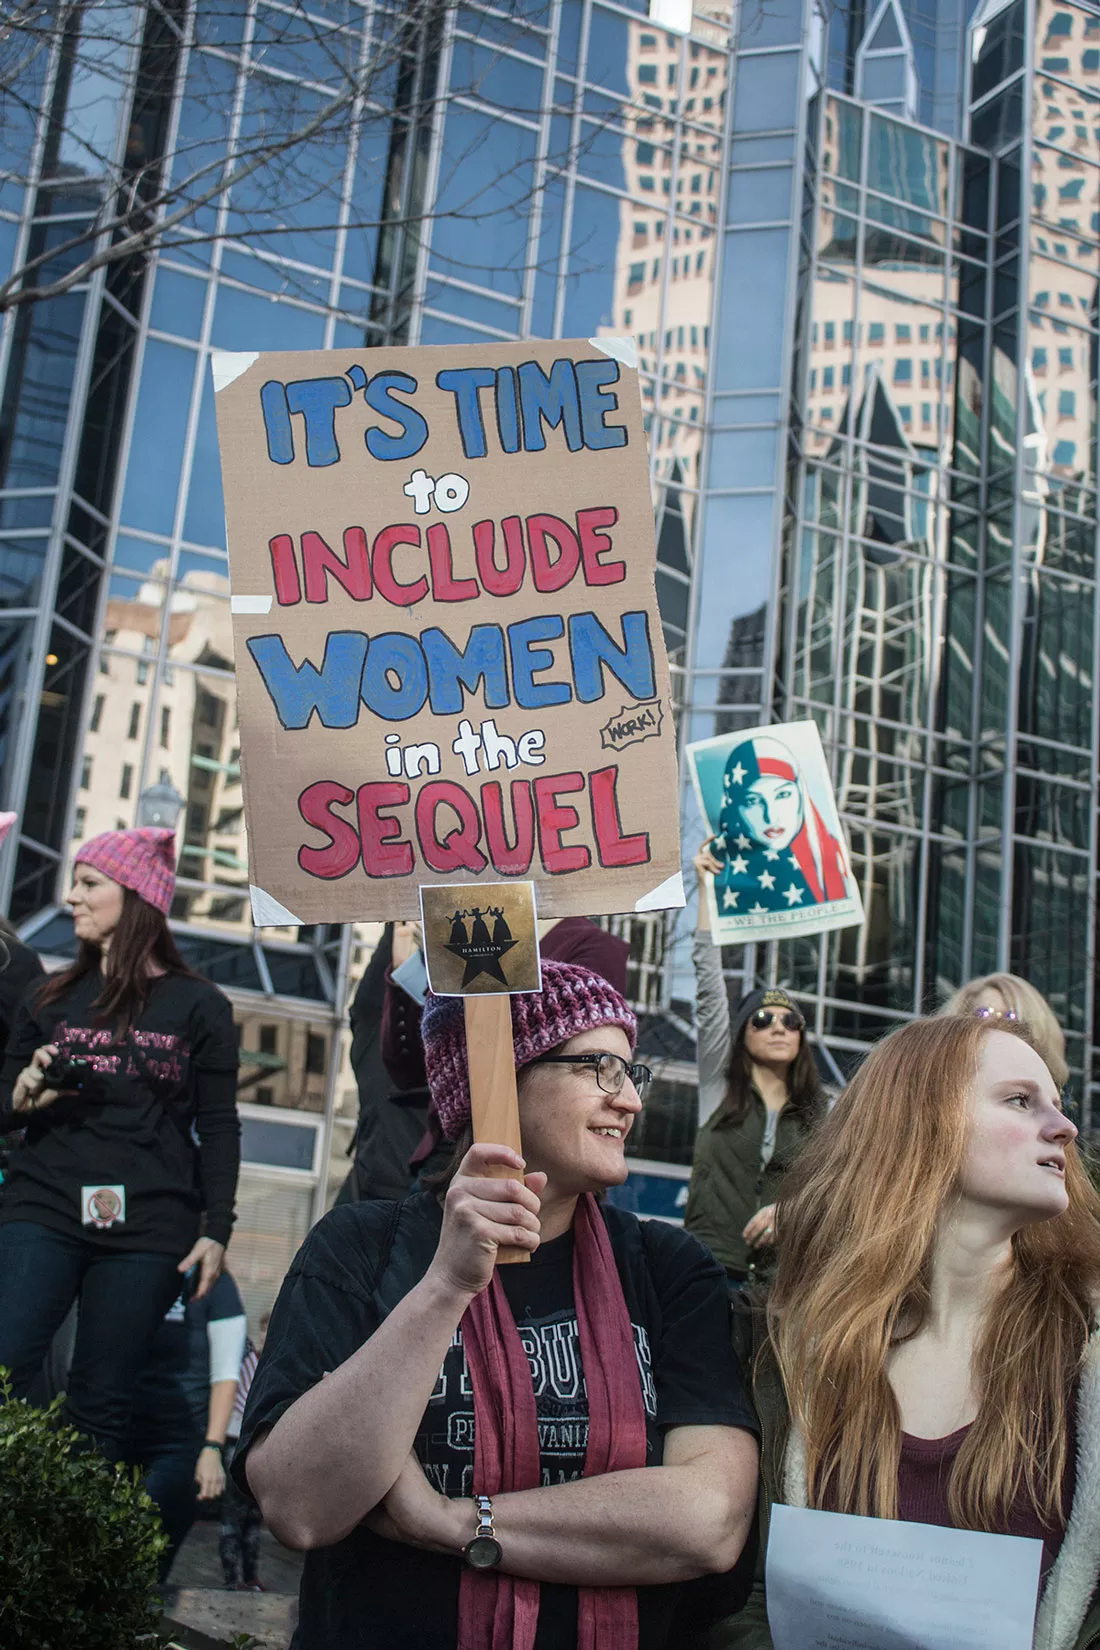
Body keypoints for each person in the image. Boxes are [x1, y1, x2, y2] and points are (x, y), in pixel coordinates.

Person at [232, 960, 760, 1650]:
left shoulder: (667, 1268)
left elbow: (710, 1522)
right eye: (600, 1068)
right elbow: (300, 1508)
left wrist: (452, 1522)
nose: (630, 1100)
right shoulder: (360, 1250)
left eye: (632, 1073)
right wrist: (446, 1286)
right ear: (498, 1081)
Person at [702, 1014, 1100, 1650]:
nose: (1065, 1127)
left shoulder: (1087, 1353)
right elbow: (729, 1600)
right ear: (919, 1120)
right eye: (1020, 1101)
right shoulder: (777, 1344)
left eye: (1059, 1103)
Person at [0, 827, 241, 1460]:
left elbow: (220, 1123)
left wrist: (218, 1227)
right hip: (44, 1205)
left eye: (89, 883)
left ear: (135, 896)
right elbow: (4, 1107)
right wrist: (21, 1096)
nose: (71, 897)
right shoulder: (47, 997)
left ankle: (72, 1528)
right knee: (4, 1366)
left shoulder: (201, 1005)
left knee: (101, 1402)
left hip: (149, 1225)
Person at [684, 841, 825, 1286]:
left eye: (791, 1021)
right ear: (743, 1035)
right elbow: (709, 990)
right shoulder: (718, 1087)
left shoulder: (821, 1115)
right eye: (763, 1020)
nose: (778, 1028)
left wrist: (792, 1212)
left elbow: (842, 1193)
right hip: (707, 1273)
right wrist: (706, 890)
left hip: (782, 1284)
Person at [126, 1266, 249, 1580]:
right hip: (116, 1431)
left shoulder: (215, 1284)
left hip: (179, 1445)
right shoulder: (135, 1265)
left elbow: (226, 1376)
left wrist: (212, 1447)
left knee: (145, 1563)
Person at [709, 734, 851, 916]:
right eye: (752, 801)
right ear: (734, 806)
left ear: (801, 794)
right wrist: (705, 883)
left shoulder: (834, 859)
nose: (770, 817)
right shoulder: (725, 868)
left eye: (782, 795)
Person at [940, 971, 1069, 1090]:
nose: (997, 1026)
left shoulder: (1050, 1104)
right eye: (983, 1014)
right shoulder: (941, 1095)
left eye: (1010, 1018)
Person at [220, 1310, 270, 1591]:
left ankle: (250, 1576)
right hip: (236, 1441)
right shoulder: (245, 1362)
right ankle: (231, 1577)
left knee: (253, 1518)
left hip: (258, 1446)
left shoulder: (273, 1366)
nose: (265, 1336)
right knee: (233, 1515)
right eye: (262, 1330)